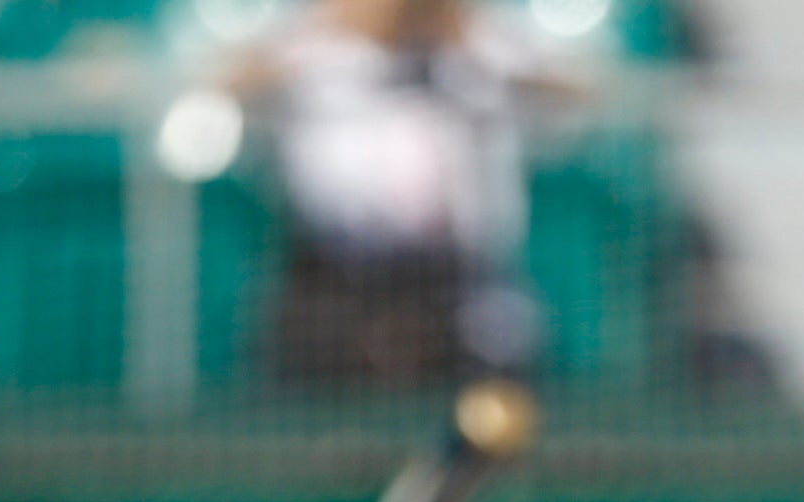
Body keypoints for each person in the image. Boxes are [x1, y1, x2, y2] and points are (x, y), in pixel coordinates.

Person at [213, 0, 584, 388]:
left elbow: (579, 88)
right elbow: (222, 86)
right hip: (339, 276)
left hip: (458, 279)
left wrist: (468, 46)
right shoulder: (312, 45)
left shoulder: (475, 43)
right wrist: (325, 37)